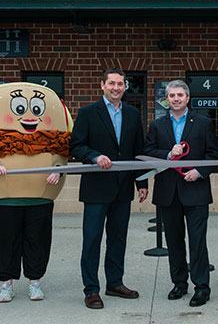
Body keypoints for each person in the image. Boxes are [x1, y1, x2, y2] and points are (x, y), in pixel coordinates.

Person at [69, 68, 148, 309]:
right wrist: (94, 156)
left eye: (120, 84)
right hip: (96, 189)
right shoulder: (87, 113)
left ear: (125, 87)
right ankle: (91, 289)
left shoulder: (134, 114)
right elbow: (76, 146)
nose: (116, 88)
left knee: (118, 239)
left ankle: (114, 283)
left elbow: (138, 151)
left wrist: (141, 182)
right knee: (92, 239)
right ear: (102, 85)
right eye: (112, 83)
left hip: (123, 189)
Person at [144, 80, 218, 307]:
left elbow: (214, 155)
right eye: (171, 95)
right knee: (174, 241)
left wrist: (199, 171)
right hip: (168, 192)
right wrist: (168, 154)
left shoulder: (203, 123)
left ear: (188, 98)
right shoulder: (157, 126)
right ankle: (179, 283)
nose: (176, 99)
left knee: (197, 242)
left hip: (195, 190)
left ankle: (202, 287)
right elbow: (148, 152)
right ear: (166, 99)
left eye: (180, 95)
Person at [0, 164, 61, 303]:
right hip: (6, 199)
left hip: (39, 197)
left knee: (38, 240)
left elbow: (58, 155)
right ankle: (6, 284)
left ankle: (35, 282)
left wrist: (58, 170)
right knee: (6, 241)